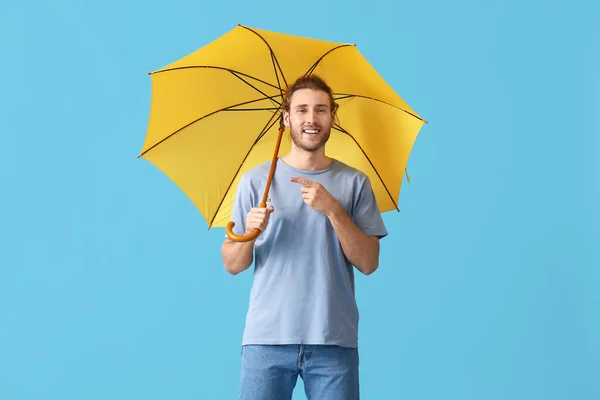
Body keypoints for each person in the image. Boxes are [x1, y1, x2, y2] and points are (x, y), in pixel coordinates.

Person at [221, 74, 388, 400]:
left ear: (332, 116)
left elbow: (369, 262)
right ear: (286, 117)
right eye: (302, 110)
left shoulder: (355, 182)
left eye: (321, 110)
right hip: (266, 339)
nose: (311, 119)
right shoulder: (256, 182)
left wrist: (333, 210)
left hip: (333, 341)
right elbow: (232, 263)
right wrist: (250, 234)